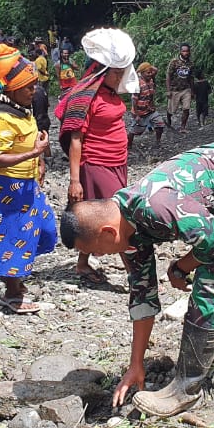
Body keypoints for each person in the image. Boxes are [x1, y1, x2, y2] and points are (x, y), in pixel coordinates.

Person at [59, 142, 214, 417]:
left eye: (95, 250)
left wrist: (181, 266)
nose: (99, 256)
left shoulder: (156, 206)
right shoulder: (126, 233)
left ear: (106, 233)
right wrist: (136, 364)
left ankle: (186, 389)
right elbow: (143, 294)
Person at [0, 69, 57, 314]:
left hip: (28, 185)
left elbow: (29, 140)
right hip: (7, 188)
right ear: (12, 89)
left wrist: (39, 163)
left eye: (35, 85)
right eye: (28, 87)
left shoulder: (21, 109)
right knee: (11, 239)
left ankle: (13, 278)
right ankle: (12, 292)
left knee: (44, 230)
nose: (34, 91)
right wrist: (35, 153)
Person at [57, 28, 136, 285]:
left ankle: (82, 264)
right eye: (116, 72)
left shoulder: (111, 93)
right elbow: (75, 139)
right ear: (103, 71)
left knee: (96, 214)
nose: (120, 76)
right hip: (97, 163)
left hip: (117, 163)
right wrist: (74, 180)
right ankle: (136, 274)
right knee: (120, 218)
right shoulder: (85, 97)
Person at [128, 62, 167, 148]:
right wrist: (136, 114)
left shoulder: (150, 80)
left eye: (150, 72)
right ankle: (128, 145)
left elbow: (155, 70)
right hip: (140, 112)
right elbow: (134, 100)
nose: (150, 74)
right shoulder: (138, 84)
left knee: (160, 123)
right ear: (142, 73)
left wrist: (148, 66)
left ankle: (158, 142)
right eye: (147, 72)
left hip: (149, 110)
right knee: (135, 131)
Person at [165, 44, 197, 133]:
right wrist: (168, 90)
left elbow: (191, 78)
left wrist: (192, 91)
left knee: (186, 109)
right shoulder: (174, 62)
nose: (185, 53)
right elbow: (168, 76)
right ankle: (168, 119)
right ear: (180, 51)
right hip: (175, 89)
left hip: (186, 89)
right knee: (171, 110)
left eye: (187, 51)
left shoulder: (190, 63)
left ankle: (183, 127)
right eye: (183, 51)